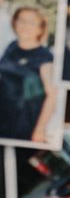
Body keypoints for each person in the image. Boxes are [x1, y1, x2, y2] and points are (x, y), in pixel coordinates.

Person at [0, 7, 57, 142]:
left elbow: (52, 95)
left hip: (23, 121)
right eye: (21, 20)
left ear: (40, 29)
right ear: (14, 23)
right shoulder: (12, 46)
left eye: (31, 22)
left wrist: (40, 129)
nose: (25, 25)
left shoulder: (44, 56)